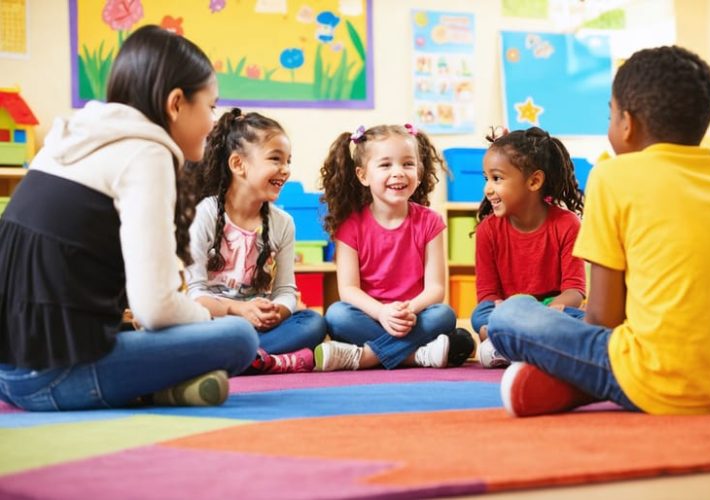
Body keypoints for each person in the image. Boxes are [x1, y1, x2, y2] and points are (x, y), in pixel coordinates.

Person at [488, 46, 710, 416]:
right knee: (566, 319)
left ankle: (578, 381)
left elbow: (604, 320)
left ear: (627, 123)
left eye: (609, 114)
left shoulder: (612, 176)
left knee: (509, 316)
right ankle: (561, 385)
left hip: (658, 380)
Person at [0, 25, 258, 411]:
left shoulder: (72, 140)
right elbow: (155, 308)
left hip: (7, 372)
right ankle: (156, 387)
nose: (211, 123)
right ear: (175, 104)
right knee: (238, 337)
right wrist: (206, 320)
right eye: (211, 106)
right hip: (53, 378)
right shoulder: (145, 153)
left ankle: (158, 390)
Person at [316, 124, 474, 371]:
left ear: (419, 173)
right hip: (370, 317)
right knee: (337, 314)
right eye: (386, 165)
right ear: (363, 175)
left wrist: (409, 309)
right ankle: (416, 356)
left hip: (414, 317)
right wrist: (381, 313)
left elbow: (435, 289)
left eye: (408, 164)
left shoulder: (430, 222)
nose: (398, 172)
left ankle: (367, 356)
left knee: (443, 315)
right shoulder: (350, 225)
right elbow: (348, 290)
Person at [186, 109, 327, 374]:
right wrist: (238, 309)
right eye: (275, 159)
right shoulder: (204, 213)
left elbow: (286, 291)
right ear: (238, 164)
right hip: (217, 322)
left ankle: (241, 360)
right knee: (200, 329)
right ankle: (260, 359)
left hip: (261, 328)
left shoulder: (283, 223)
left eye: (288, 161)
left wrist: (275, 311)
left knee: (313, 322)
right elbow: (195, 294)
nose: (285, 170)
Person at [473, 127, 586, 368]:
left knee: (586, 319)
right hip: (505, 311)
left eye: (497, 178)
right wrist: (509, 309)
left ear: (534, 181)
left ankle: (508, 345)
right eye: (486, 179)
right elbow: (487, 295)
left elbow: (575, 291)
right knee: (480, 316)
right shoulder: (487, 231)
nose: (488, 189)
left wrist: (547, 309)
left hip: (549, 310)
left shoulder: (567, 225)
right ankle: (539, 345)